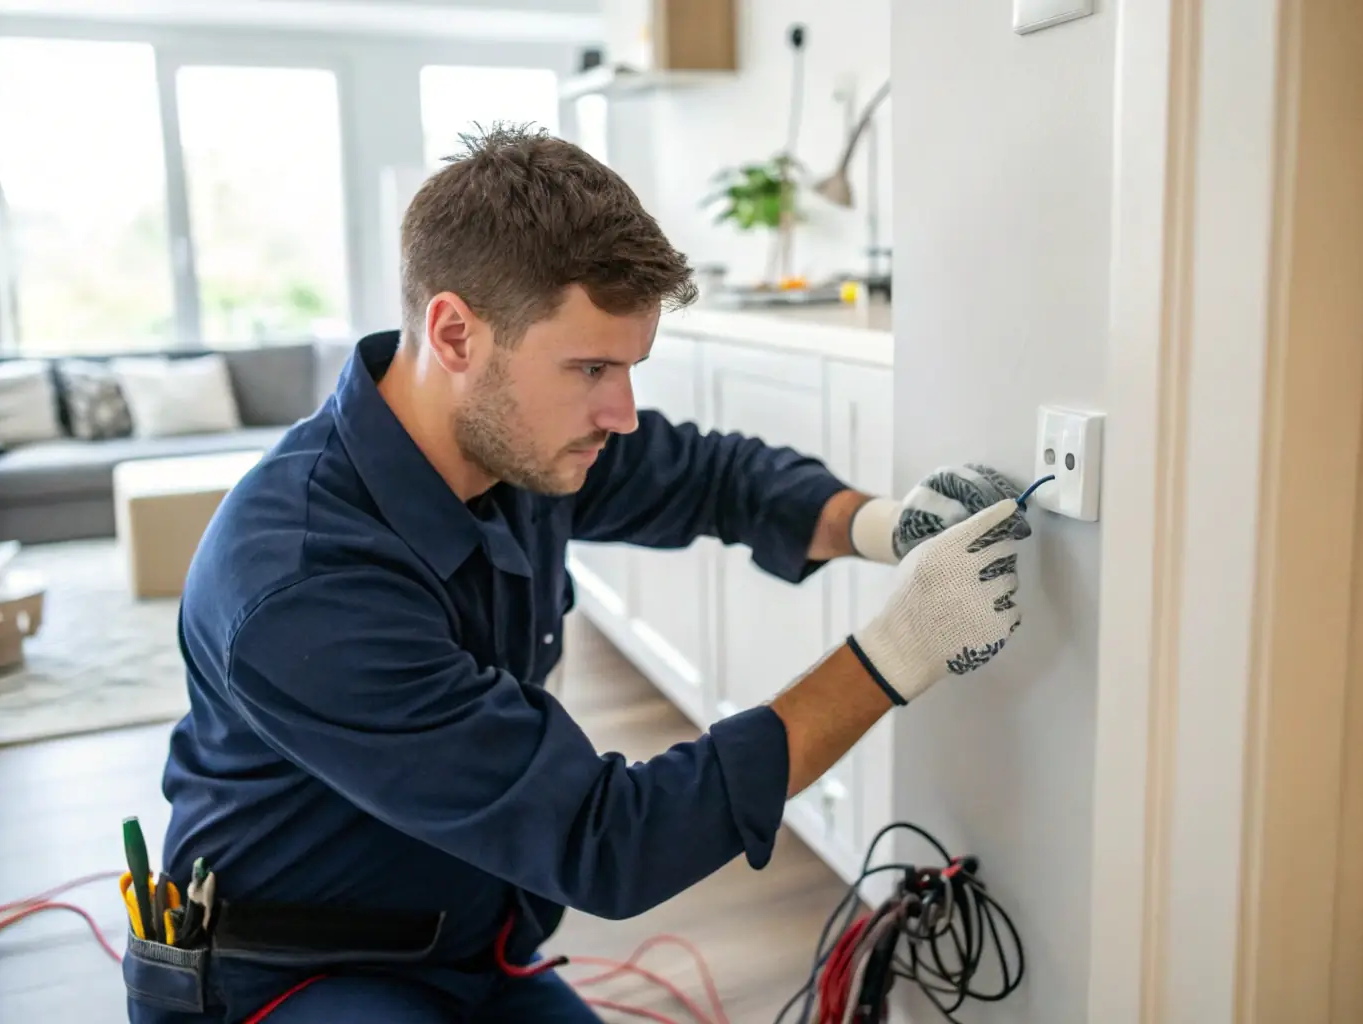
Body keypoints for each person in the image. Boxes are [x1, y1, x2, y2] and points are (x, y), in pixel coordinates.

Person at [123, 124, 1033, 1023]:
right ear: (454, 333)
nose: (623, 411)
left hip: (473, 940)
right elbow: (608, 841)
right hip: (293, 976)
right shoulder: (302, 582)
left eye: (629, 367)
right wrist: (898, 650)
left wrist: (883, 526)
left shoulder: (514, 443)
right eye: (592, 367)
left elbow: (712, 477)